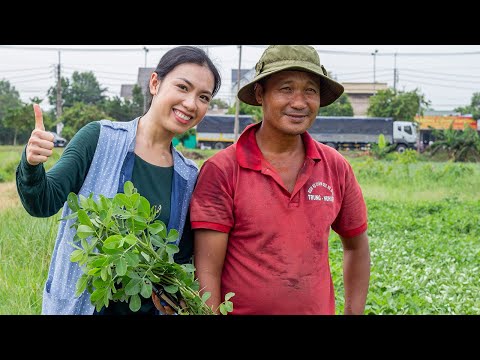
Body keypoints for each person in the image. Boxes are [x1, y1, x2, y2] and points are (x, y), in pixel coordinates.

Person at [16, 45, 221, 315]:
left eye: (203, 97)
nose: (191, 104)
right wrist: (31, 165)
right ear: (155, 83)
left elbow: (180, 258)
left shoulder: (188, 175)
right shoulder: (99, 139)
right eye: (183, 87)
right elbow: (42, 202)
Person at [189, 45, 370, 315]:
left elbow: (356, 247)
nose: (299, 102)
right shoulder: (222, 170)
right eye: (286, 89)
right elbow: (207, 270)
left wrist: (353, 311)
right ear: (260, 94)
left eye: (310, 90)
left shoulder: (336, 167)